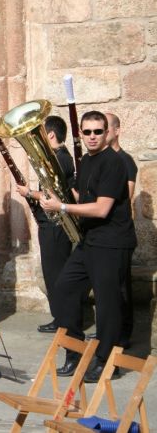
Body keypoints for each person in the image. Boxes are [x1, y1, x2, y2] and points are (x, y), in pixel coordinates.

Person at [41, 111, 136, 382]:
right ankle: (75, 351)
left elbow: (102, 208)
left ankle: (108, 362)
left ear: (106, 133)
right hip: (90, 241)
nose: (92, 136)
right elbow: (83, 197)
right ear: (80, 133)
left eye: (97, 131)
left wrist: (61, 206)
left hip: (112, 243)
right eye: (87, 132)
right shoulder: (88, 162)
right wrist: (52, 188)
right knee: (63, 289)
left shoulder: (115, 163)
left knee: (107, 304)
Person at [14, 116, 75, 333]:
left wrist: (29, 192)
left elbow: (54, 194)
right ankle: (60, 318)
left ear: (50, 135)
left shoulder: (61, 159)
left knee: (56, 273)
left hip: (58, 225)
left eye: (40, 136)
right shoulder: (56, 158)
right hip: (51, 223)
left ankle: (64, 321)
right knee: (52, 273)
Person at [105, 112, 137, 348]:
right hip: (102, 234)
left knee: (121, 287)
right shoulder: (100, 160)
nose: (100, 133)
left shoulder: (125, 161)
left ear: (116, 131)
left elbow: (126, 195)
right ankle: (109, 331)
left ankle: (124, 333)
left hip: (118, 233)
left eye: (106, 128)